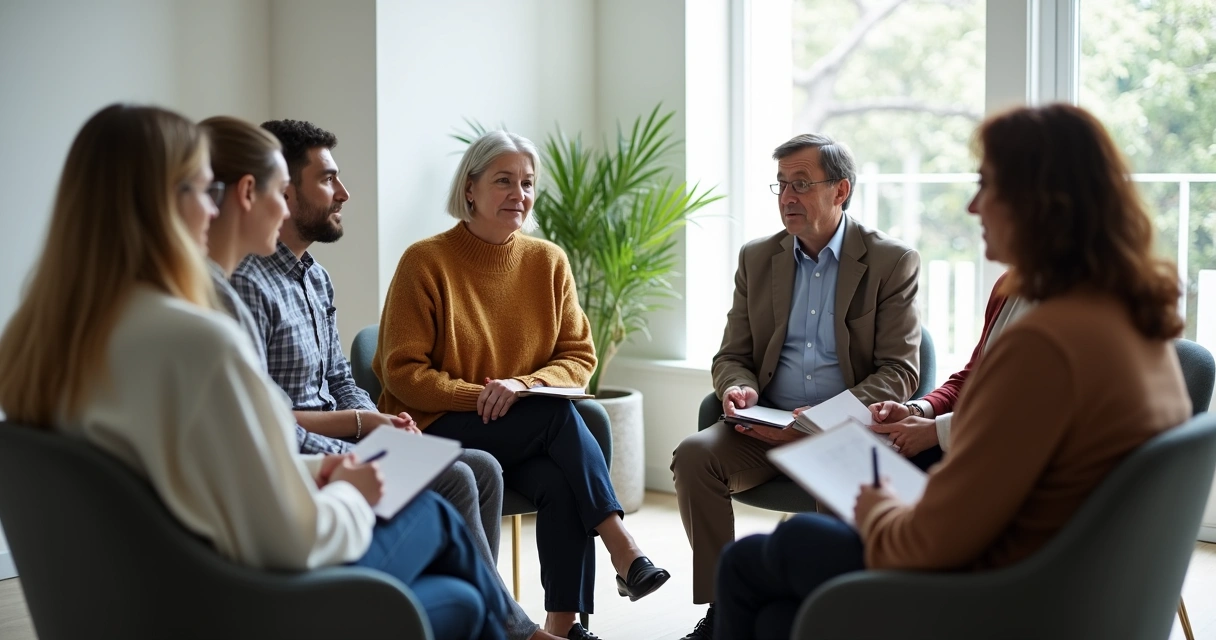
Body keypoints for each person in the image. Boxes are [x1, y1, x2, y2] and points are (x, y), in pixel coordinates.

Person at [0, 103, 512, 640]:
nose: (213, 208)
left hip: (147, 597)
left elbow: (201, 479)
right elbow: (287, 538)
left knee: (456, 580)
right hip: (240, 604)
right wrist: (353, 491)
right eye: (203, 191)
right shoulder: (195, 339)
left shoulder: (41, 340)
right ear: (165, 201)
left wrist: (326, 471)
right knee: (448, 551)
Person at [712, 103, 1192, 640]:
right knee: (780, 618)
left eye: (987, 185)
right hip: (1070, 583)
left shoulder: (1047, 342)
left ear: (1043, 201)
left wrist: (876, 508)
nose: (972, 206)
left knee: (765, 554)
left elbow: (935, 537)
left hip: (997, 594)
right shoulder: (1129, 314)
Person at [221, 118, 554, 638]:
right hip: (311, 453)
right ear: (283, 191)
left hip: (348, 439)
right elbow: (264, 421)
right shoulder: (246, 284)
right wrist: (359, 430)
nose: (344, 193)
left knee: (483, 469)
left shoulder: (315, 277)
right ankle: (509, 626)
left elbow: (338, 375)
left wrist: (379, 418)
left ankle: (488, 620)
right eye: (328, 179)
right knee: (456, 475)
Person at [373, 130, 670, 640]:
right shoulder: (425, 261)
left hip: (520, 428)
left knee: (559, 482)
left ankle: (560, 629)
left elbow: (579, 357)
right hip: (438, 426)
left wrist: (521, 385)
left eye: (528, 183)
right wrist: (485, 394)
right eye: (504, 181)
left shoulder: (547, 260)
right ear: (470, 189)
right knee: (558, 416)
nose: (519, 194)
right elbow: (401, 372)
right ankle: (622, 545)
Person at [669, 133, 923, 640]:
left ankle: (821, 613)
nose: (787, 197)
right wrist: (737, 389)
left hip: (843, 429)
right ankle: (724, 608)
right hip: (766, 426)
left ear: (841, 191)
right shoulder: (758, 258)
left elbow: (900, 372)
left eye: (801, 184)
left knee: (842, 484)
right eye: (781, 184)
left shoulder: (890, 261)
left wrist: (818, 420)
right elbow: (731, 356)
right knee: (695, 456)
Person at [868, 271, 1034, 457]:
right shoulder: (1009, 284)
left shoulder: (1063, 307)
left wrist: (937, 431)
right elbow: (969, 381)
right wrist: (915, 410)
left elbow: (1031, 412)